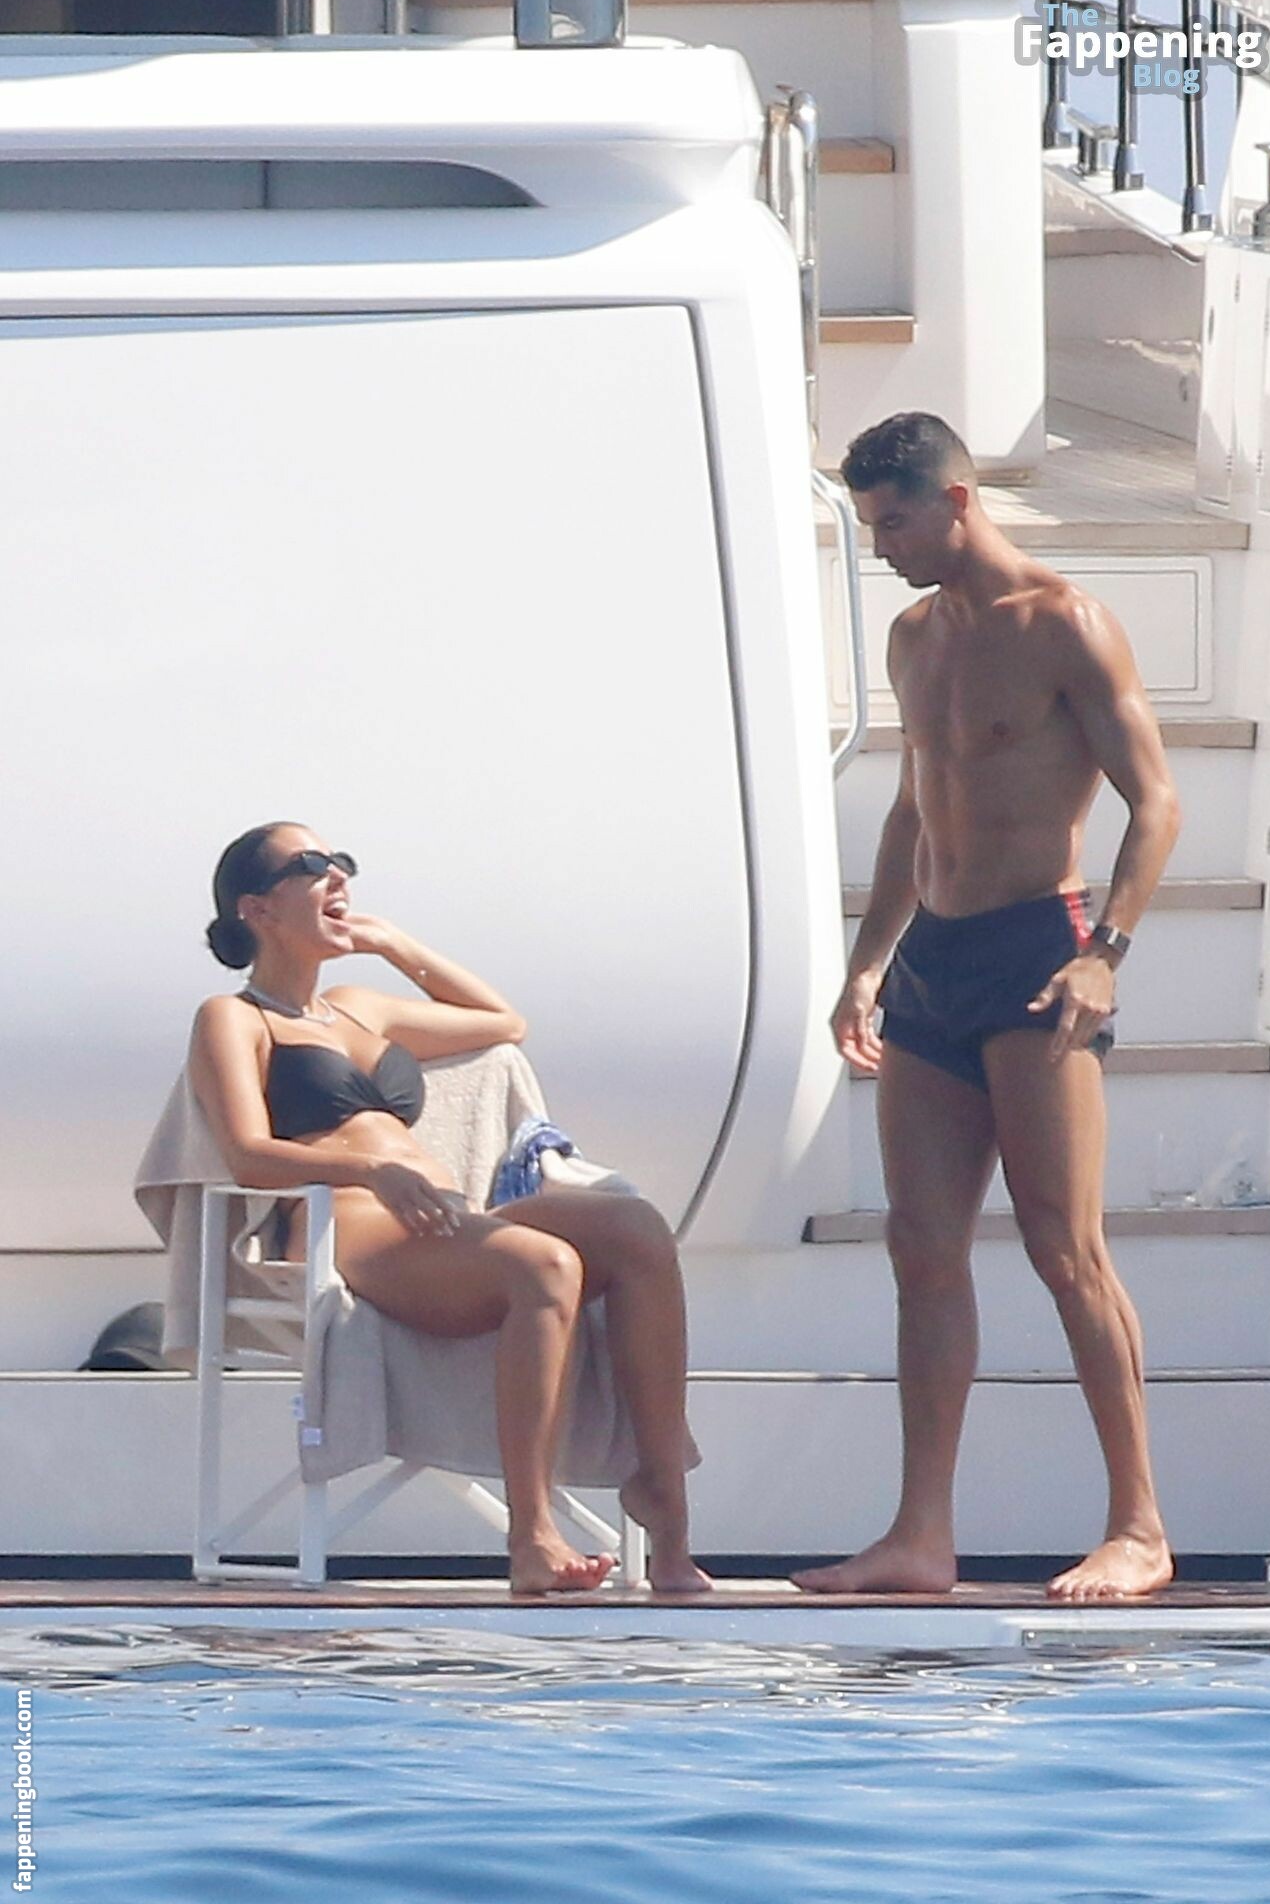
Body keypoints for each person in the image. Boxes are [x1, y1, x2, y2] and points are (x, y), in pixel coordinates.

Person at [794, 412, 1181, 1603]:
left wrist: (1104, 953)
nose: (880, 548)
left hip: (1035, 953)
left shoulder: (1064, 623)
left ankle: (1138, 1528)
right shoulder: (913, 637)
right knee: (920, 1251)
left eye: (892, 522)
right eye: (869, 526)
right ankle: (919, 1536)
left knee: (1064, 1249)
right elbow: (914, 806)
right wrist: (866, 962)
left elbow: (1154, 802)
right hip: (934, 960)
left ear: (955, 501)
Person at [190, 820, 711, 1598]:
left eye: (342, 862)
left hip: (445, 1220)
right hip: (352, 1227)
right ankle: (532, 1534)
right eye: (313, 865)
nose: (338, 876)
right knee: (545, 1263)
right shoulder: (234, 1018)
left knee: (637, 1229)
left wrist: (393, 944)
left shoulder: (360, 1008)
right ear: (256, 908)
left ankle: (663, 1495)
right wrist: (370, 1171)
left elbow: (503, 1023)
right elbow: (246, 1153)